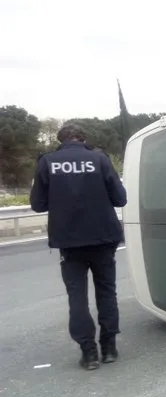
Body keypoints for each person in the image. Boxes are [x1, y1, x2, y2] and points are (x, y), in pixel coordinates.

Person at [29, 123, 127, 370]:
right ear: (83, 139)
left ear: (60, 140)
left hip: (69, 242)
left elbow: (38, 205)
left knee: (77, 298)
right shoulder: (100, 159)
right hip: (104, 238)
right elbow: (120, 198)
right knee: (107, 292)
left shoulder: (47, 162)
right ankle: (109, 348)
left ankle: (89, 354)